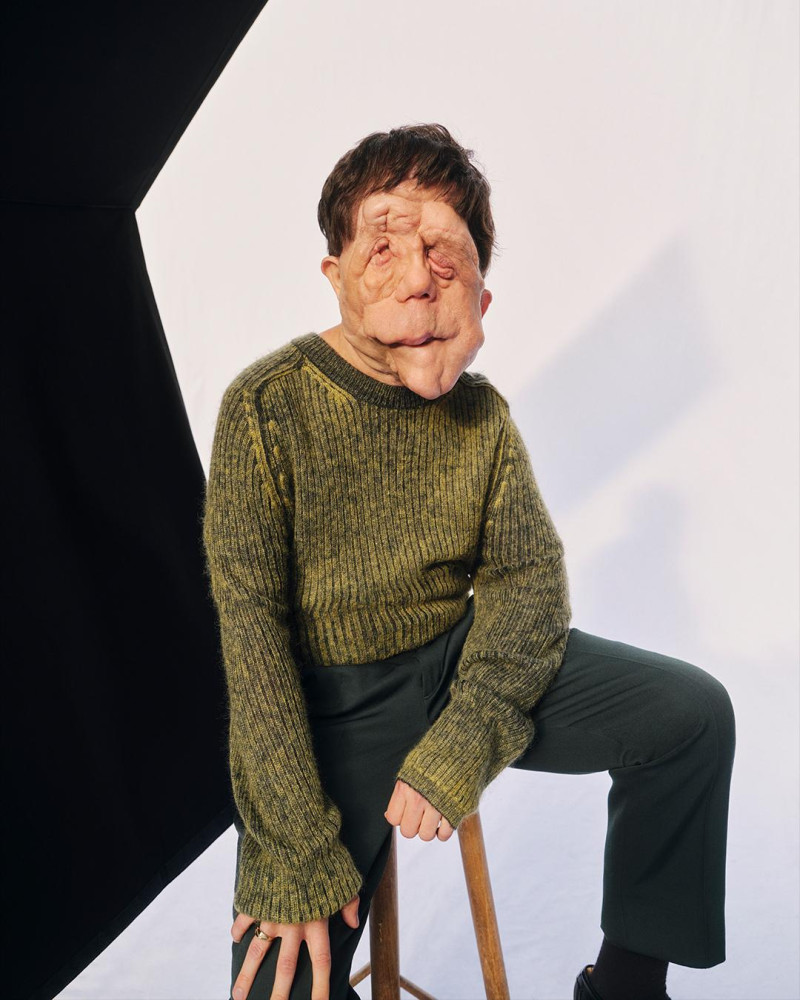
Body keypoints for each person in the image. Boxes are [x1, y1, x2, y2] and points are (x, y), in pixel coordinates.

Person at [201, 123, 736, 1000]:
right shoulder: (265, 409)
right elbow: (252, 640)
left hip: (462, 664)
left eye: (444, 261)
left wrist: (466, 735)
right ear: (334, 274)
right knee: (280, 981)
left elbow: (529, 583)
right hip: (332, 707)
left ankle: (627, 987)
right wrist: (293, 846)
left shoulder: (480, 415)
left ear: (483, 296)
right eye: (384, 250)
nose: (418, 281)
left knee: (692, 716)